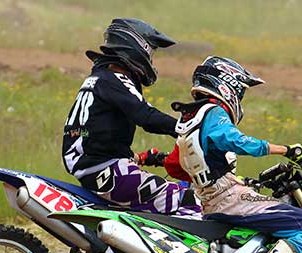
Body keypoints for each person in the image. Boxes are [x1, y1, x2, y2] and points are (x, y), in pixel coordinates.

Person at [171, 56, 302, 253]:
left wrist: (233, 179)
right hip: (228, 199)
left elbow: (174, 164)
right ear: (227, 85)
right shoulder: (214, 111)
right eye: (240, 91)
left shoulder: (189, 117)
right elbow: (234, 140)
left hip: (209, 200)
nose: (240, 98)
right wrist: (284, 149)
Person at [62, 18, 199, 215]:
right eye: (151, 52)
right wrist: (189, 127)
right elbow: (147, 117)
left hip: (96, 167)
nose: (151, 60)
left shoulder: (100, 78)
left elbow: (96, 135)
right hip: (106, 171)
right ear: (136, 47)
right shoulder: (115, 79)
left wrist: (139, 157)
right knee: (189, 200)